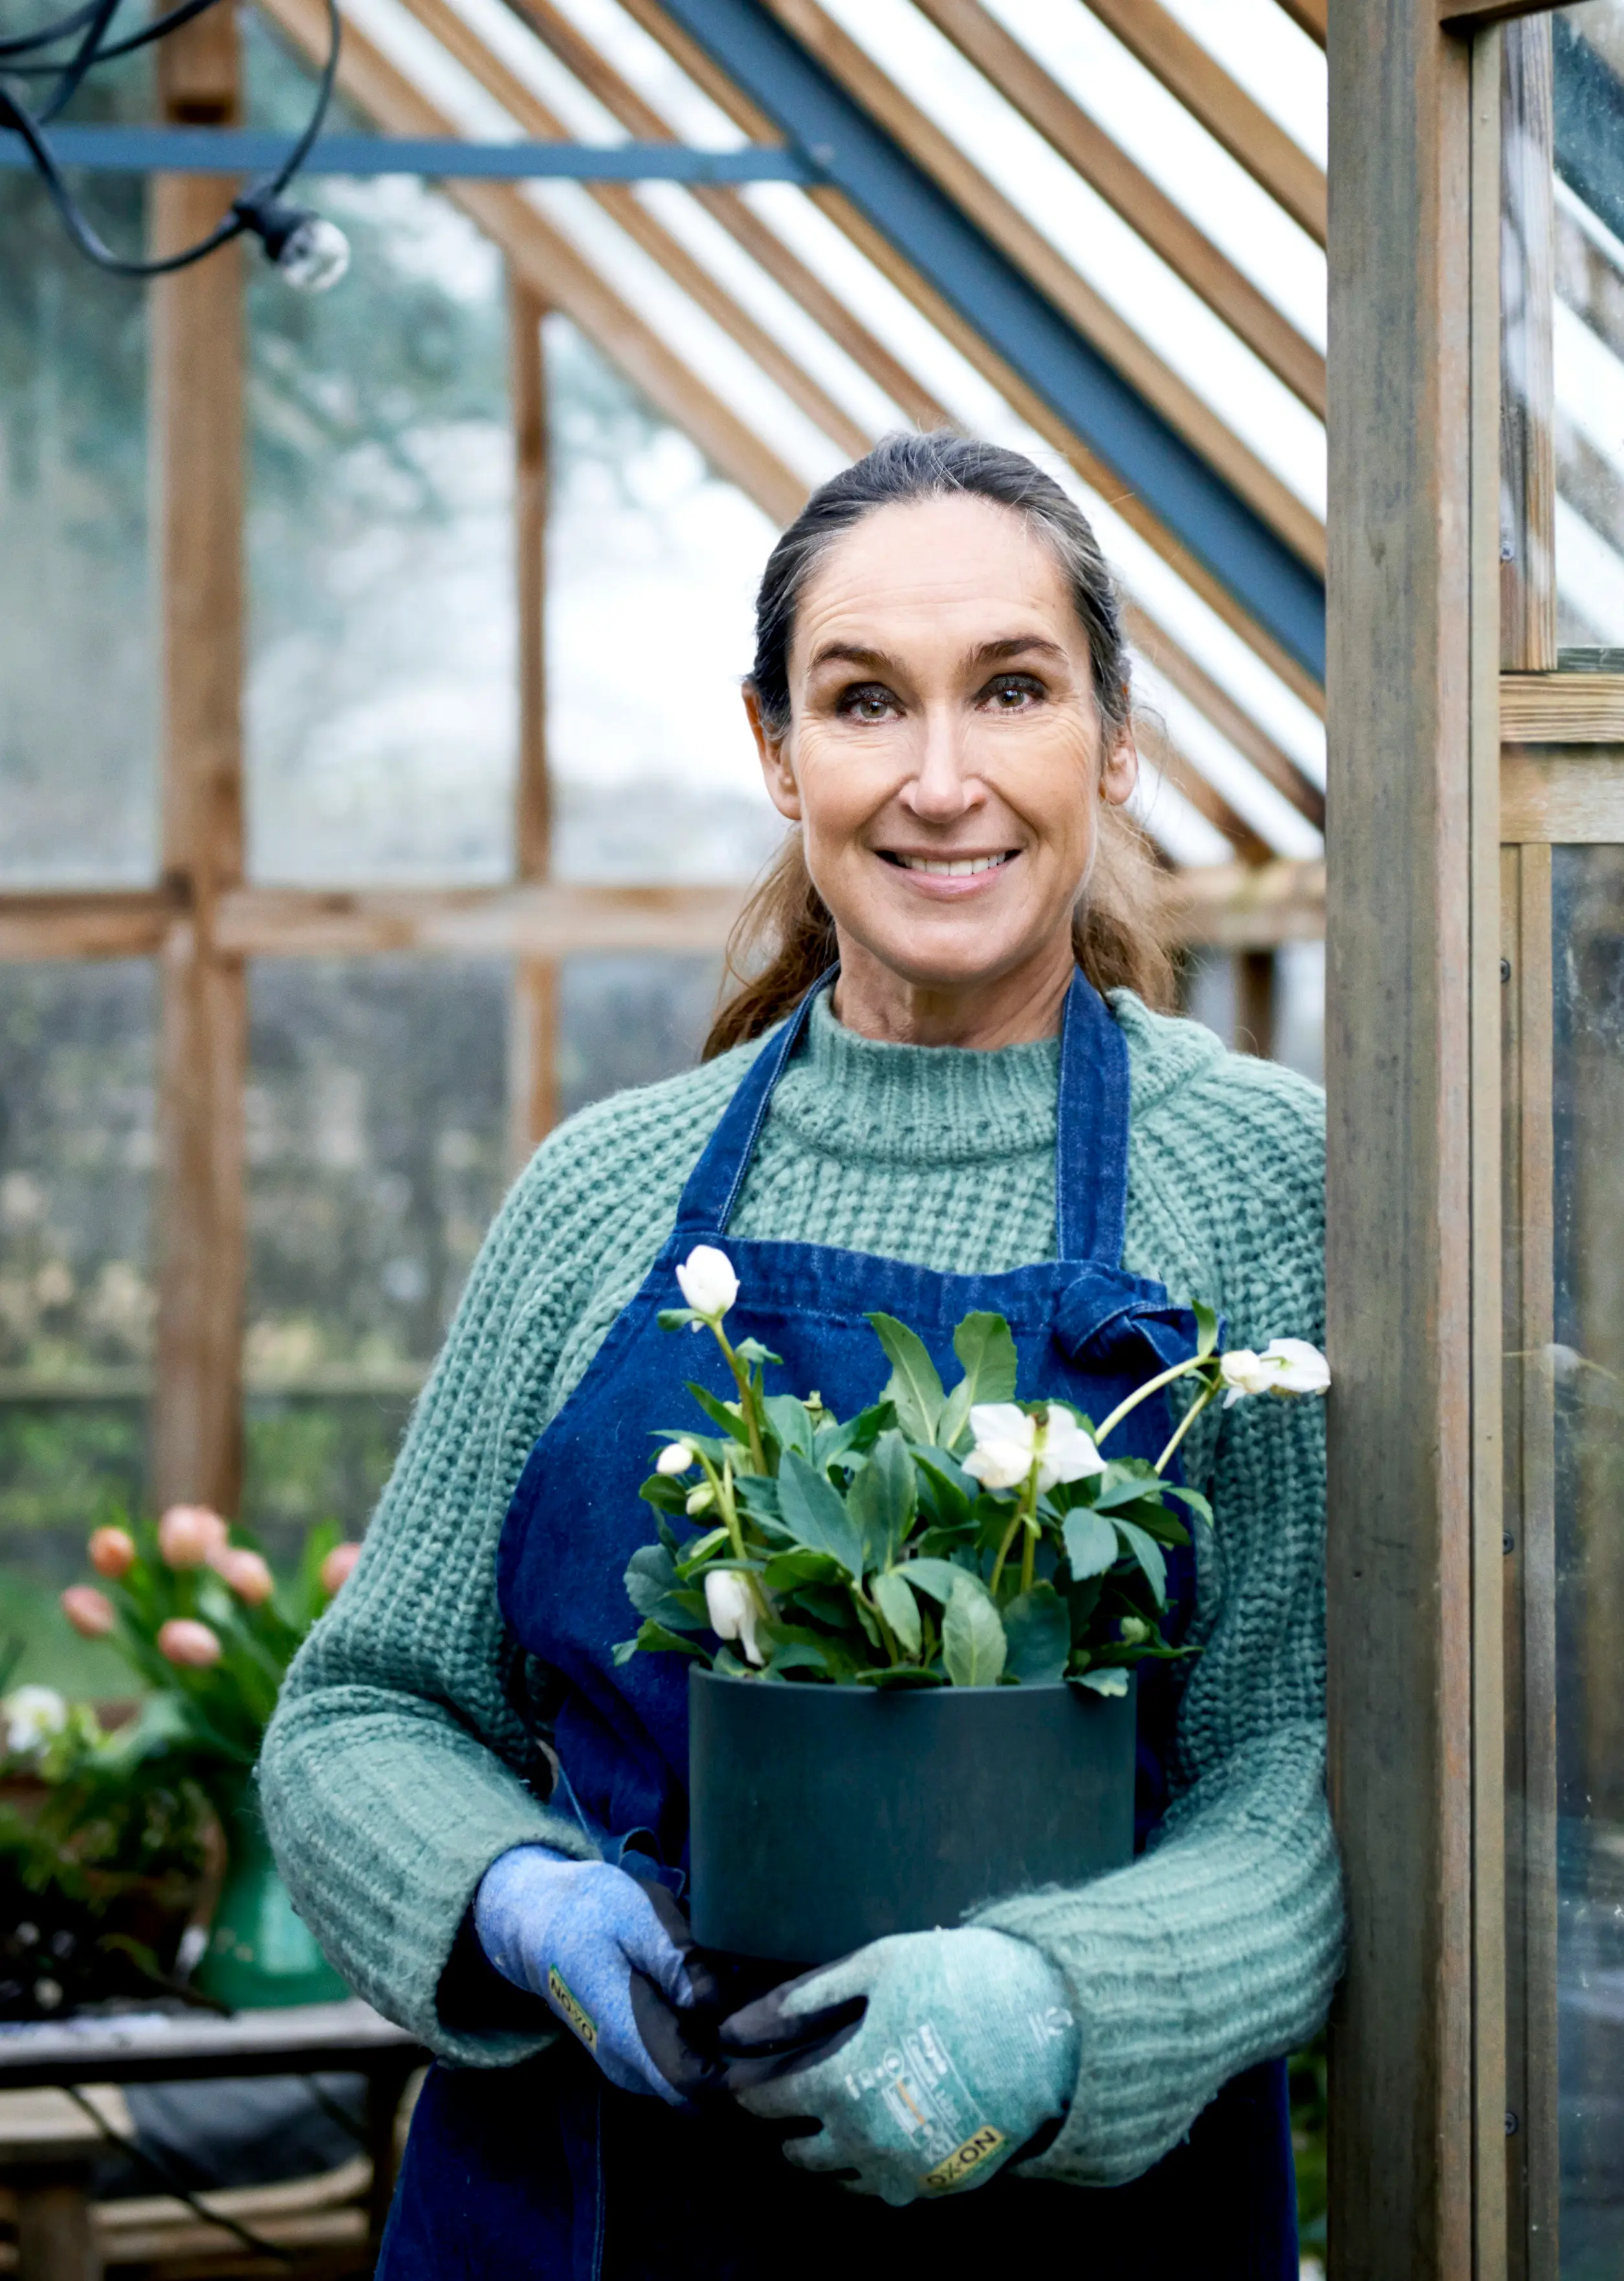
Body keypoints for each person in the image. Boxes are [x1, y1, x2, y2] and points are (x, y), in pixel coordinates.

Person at [261, 431, 1343, 2279]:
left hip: (1087, 2216)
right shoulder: (600, 1190)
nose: (941, 780)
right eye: (862, 702)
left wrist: (1064, 2004)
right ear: (776, 752)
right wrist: (517, 1902)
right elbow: (364, 1708)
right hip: (588, 2202)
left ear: (1113, 737)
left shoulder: (1258, 1179)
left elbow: (1298, 1769)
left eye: (1010, 689)